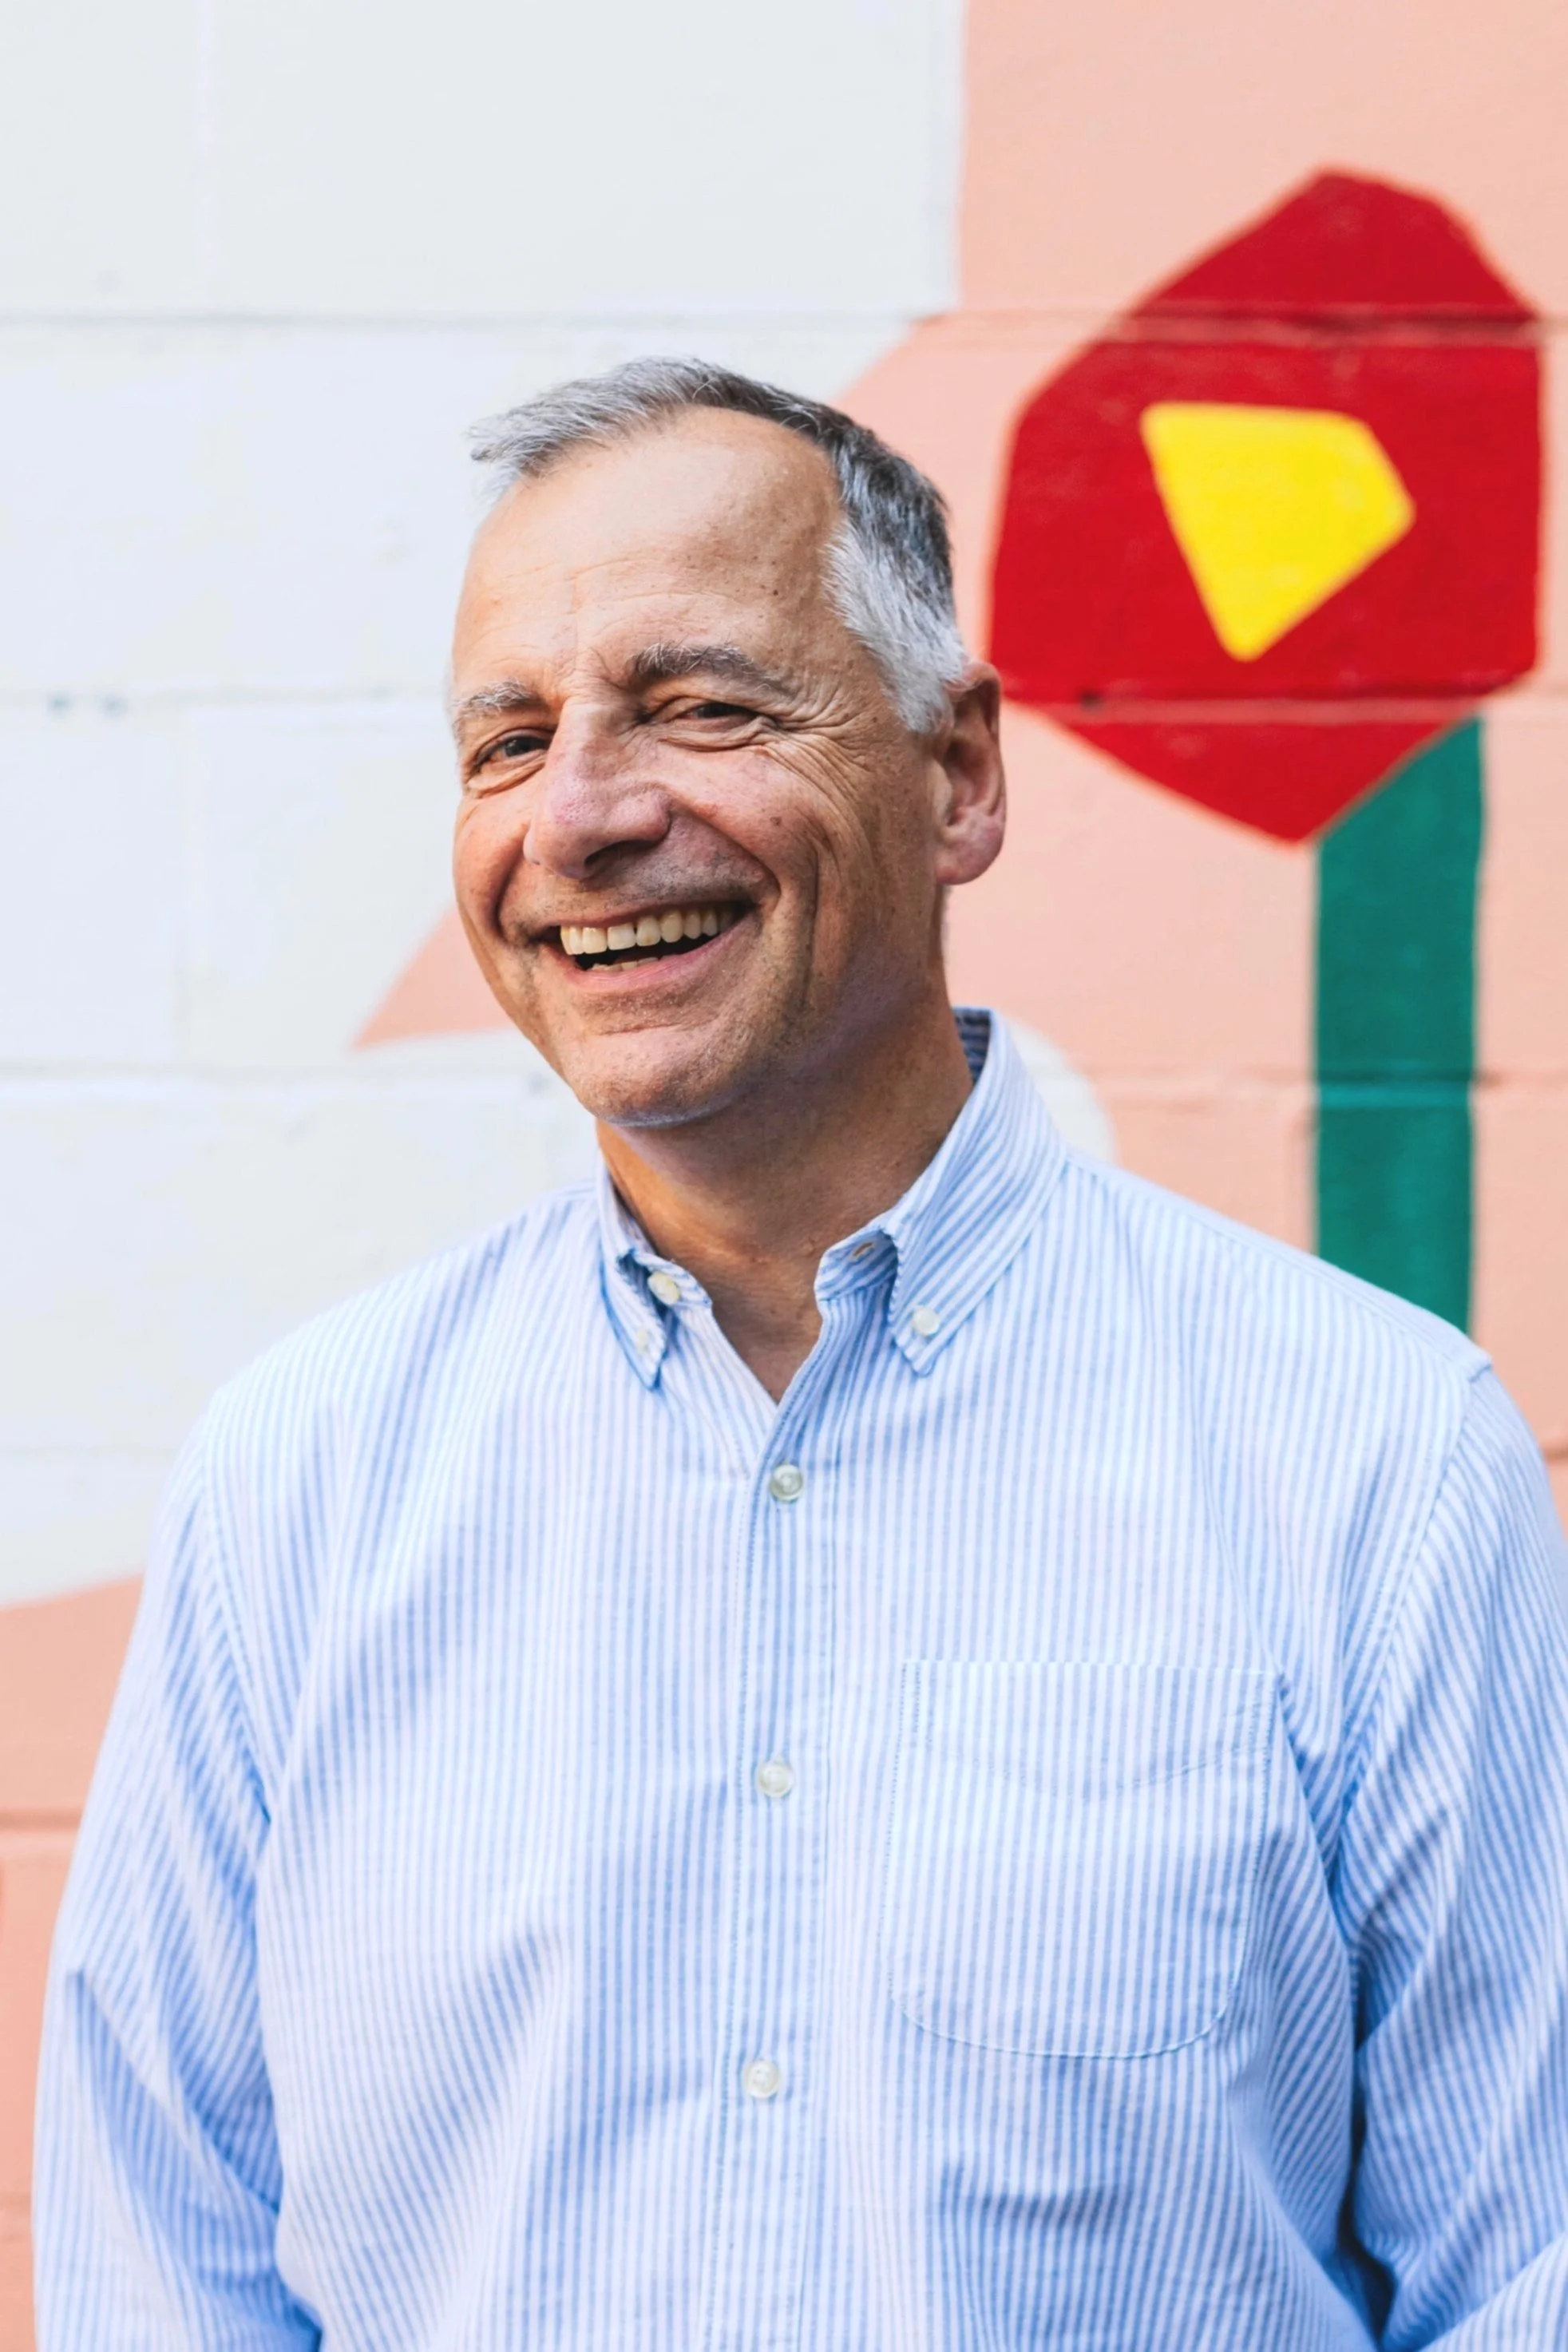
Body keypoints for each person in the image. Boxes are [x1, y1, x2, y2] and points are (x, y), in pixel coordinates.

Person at [35, 359, 1568, 2350]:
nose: (580, 814)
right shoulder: (302, 1483)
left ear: (957, 779)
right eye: (508, 739)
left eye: (698, 705)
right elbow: (167, 2272)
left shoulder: (1371, 1457)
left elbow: (1522, 2271)